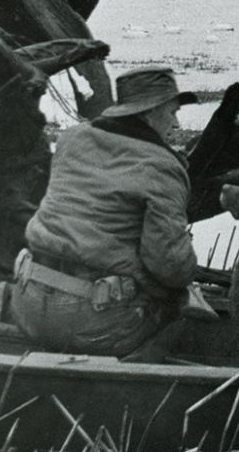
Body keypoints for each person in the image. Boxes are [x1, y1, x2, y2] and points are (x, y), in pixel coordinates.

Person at [12, 64, 203, 357]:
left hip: (26, 299)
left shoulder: (72, 138)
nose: (175, 125)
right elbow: (169, 266)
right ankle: (135, 386)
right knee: (181, 310)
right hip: (90, 319)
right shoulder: (163, 167)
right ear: (150, 111)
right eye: (172, 112)